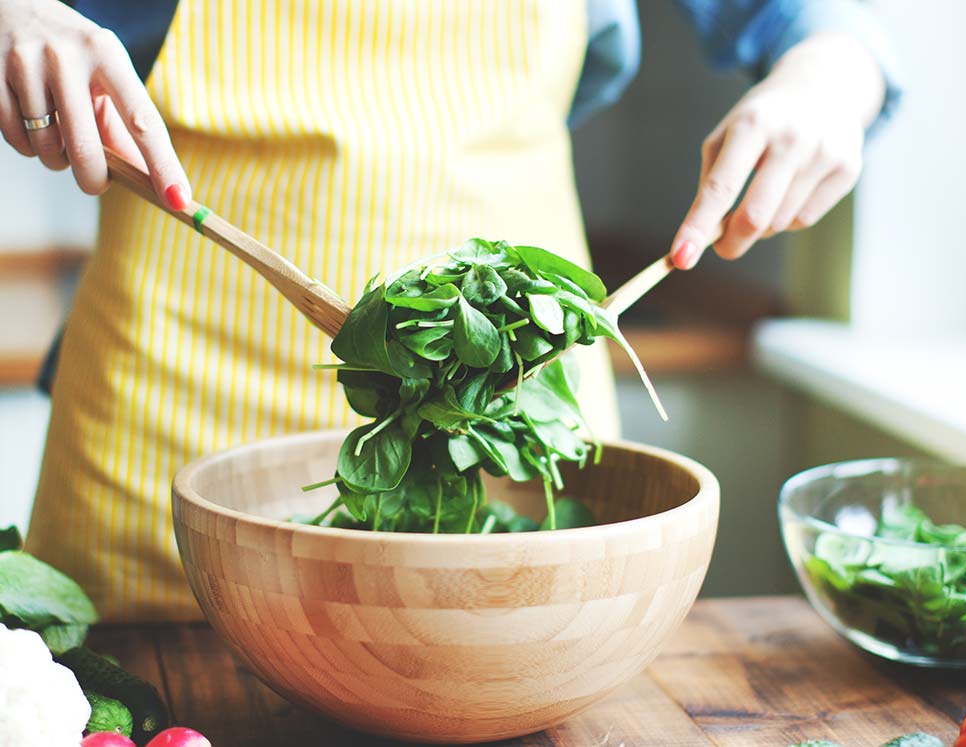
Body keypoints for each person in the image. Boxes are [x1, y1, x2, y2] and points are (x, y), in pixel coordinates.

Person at [1, 0, 899, 621]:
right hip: (173, 382)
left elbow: (811, 18)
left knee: (531, 641)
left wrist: (828, 72)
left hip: (519, 383)